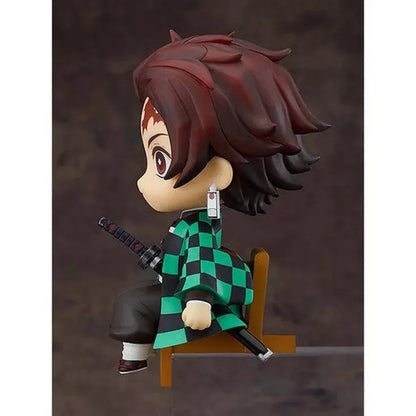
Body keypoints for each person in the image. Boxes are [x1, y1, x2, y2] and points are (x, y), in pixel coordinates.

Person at [109, 30, 329, 374]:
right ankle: (136, 352)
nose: (143, 180)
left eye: (161, 160)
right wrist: (163, 262)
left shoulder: (201, 228)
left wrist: (198, 300)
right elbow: (190, 260)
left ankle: (134, 355)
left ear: (217, 172)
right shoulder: (191, 223)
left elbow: (203, 263)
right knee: (136, 298)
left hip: (200, 304)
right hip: (186, 290)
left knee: (132, 302)